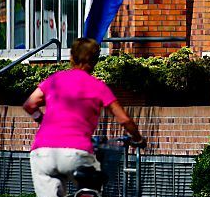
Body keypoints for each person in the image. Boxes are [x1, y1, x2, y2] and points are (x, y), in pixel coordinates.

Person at [22, 38, 144, 197]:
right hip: (76, 151)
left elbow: (30, 104)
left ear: (71, 57)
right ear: (94, 60)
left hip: (43, 152)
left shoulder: (54, 80)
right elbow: (124, 119)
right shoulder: (98, 86)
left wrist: (41, 119)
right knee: (91, 185)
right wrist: (138, 138)